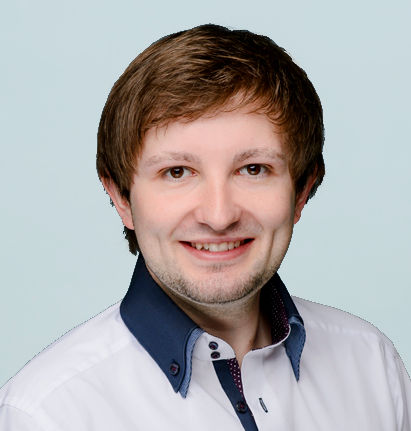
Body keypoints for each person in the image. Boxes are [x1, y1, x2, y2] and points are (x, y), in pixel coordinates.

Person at [0, 24, 410, 430]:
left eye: (253, 169)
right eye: (177, 172)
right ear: (122, 198)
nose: (219, 215)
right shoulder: (47, 415)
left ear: (301, 192)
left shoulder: (373, 368)